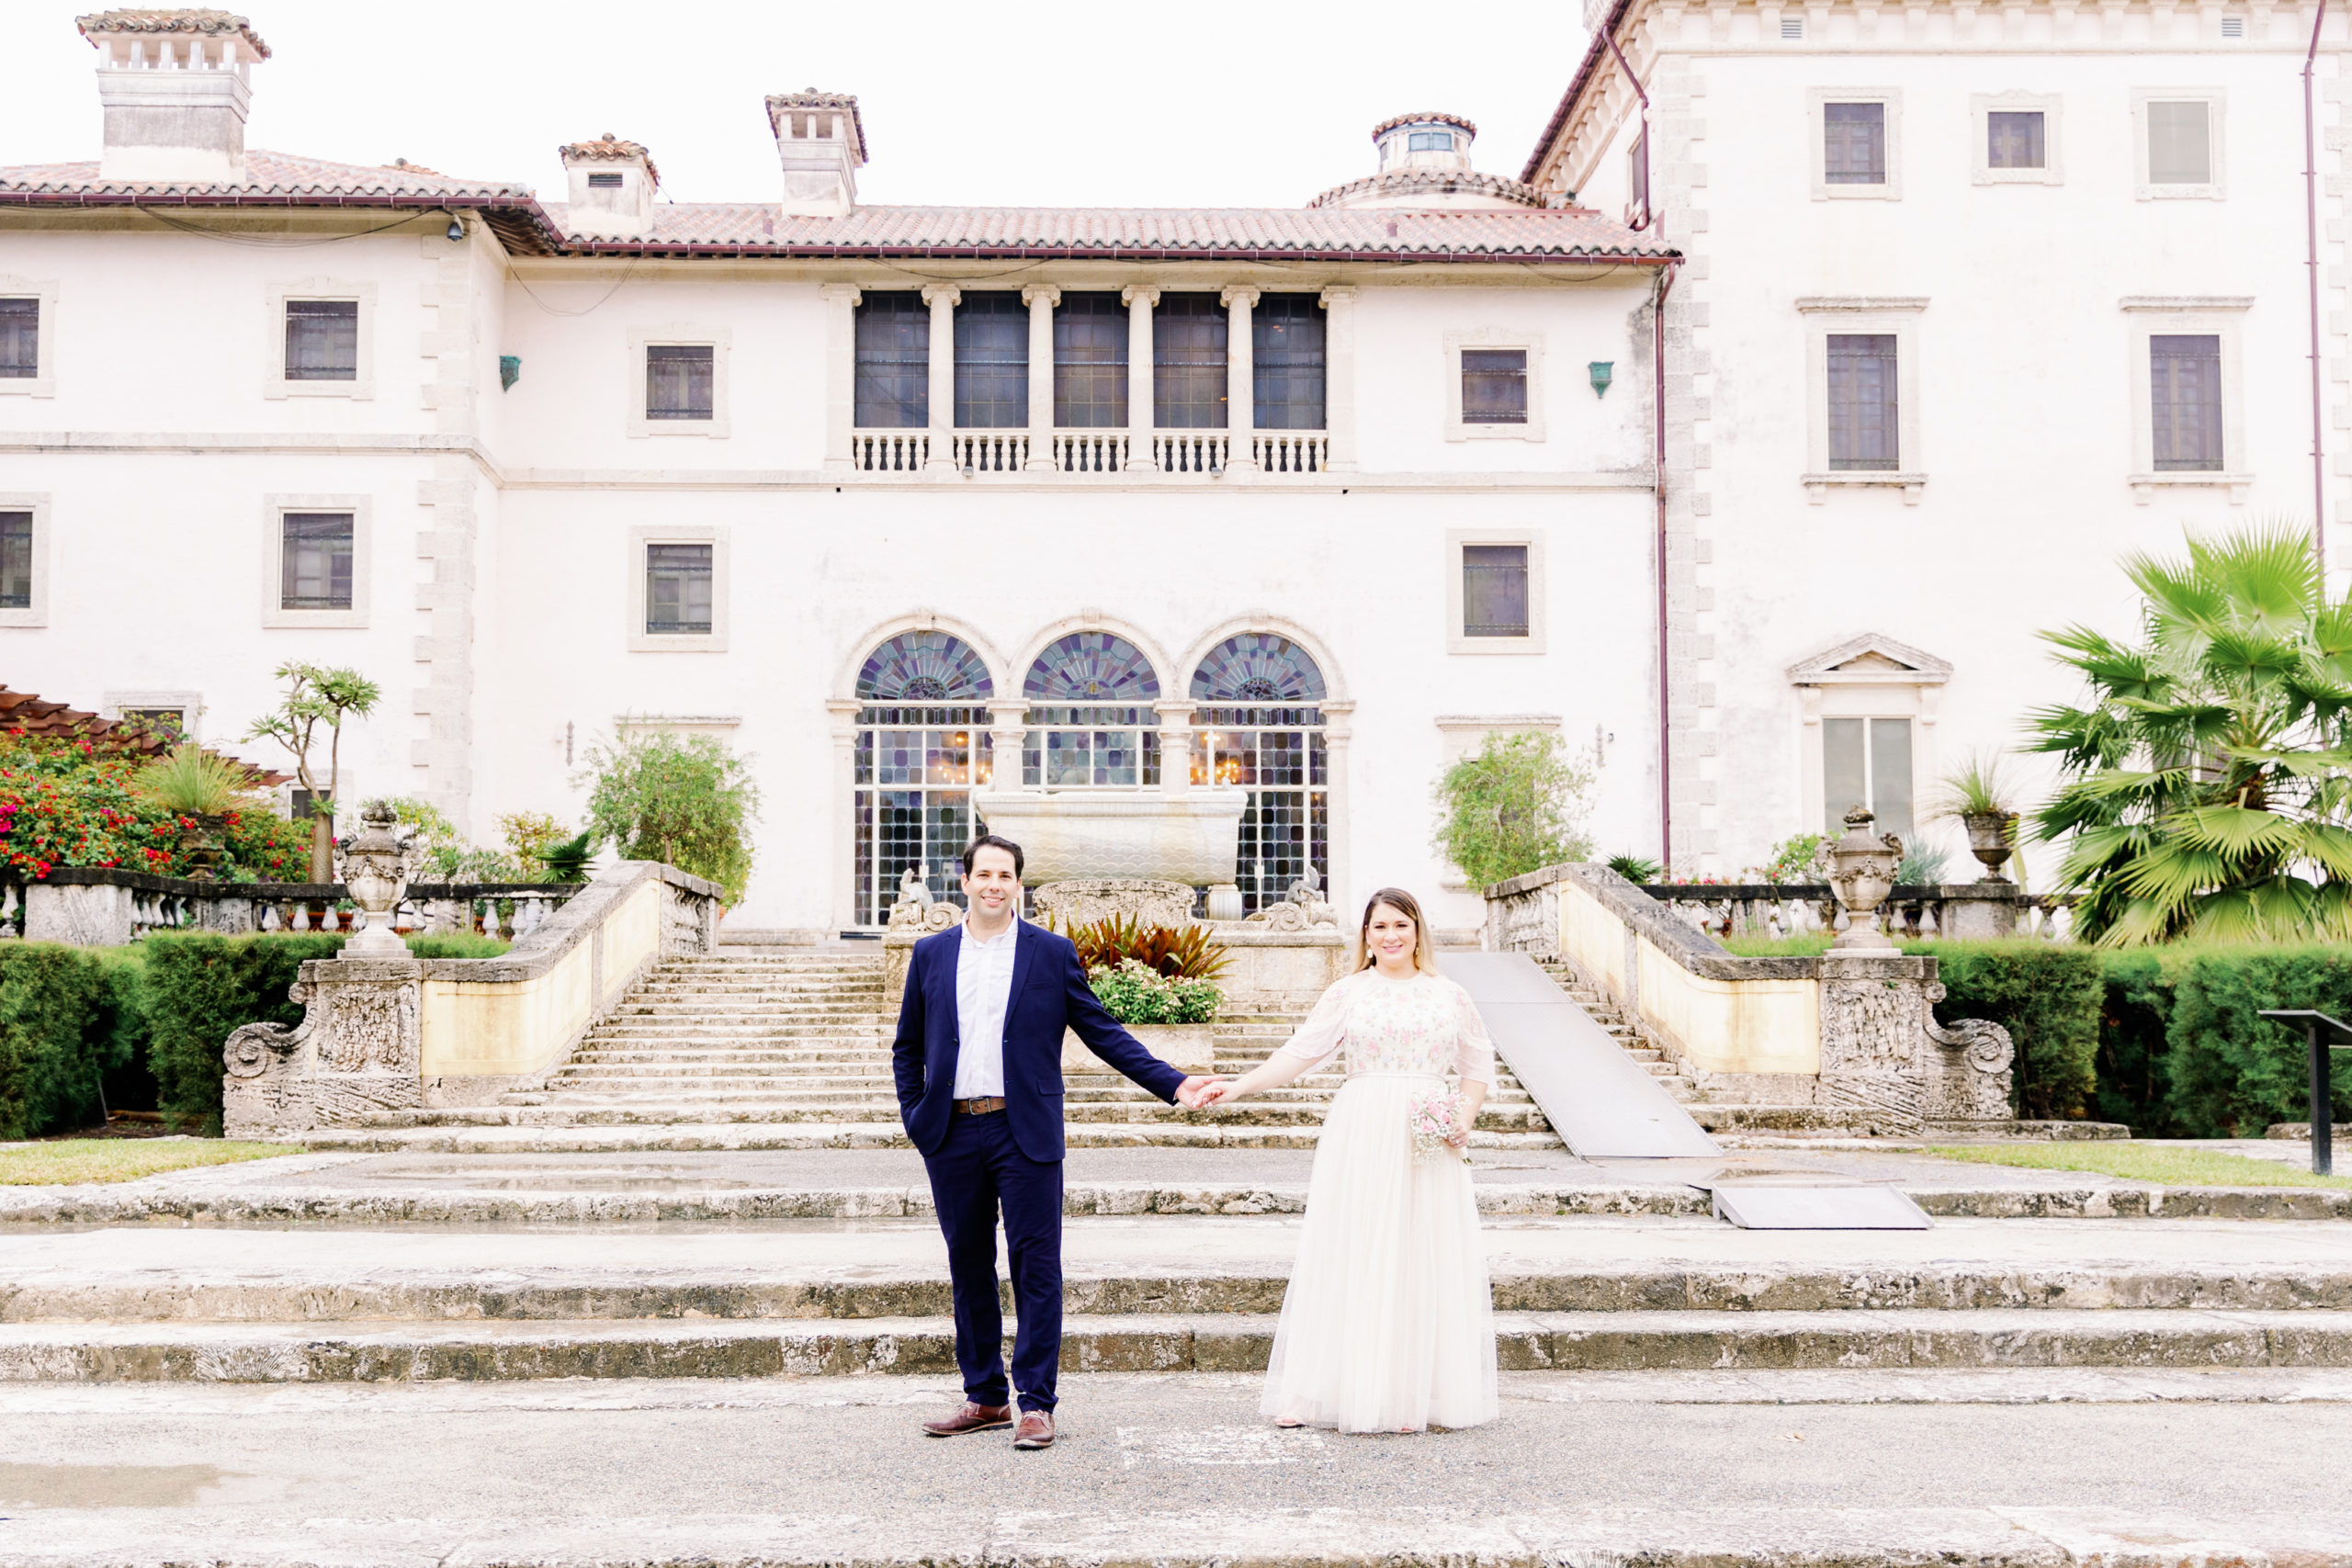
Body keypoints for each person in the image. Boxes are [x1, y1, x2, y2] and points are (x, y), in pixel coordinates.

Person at [894, 833, 1218, 1450]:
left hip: (1026, 1132)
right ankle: (985, 1395)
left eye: (1005, 875)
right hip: (953, 1131)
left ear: (1019, 885)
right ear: (964, 882)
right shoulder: (931, 953)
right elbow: (907, 1046)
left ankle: (1036, 1402)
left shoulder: (1049, 953)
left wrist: (1174, 1083)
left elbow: (1103, 1033)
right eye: (983, 873)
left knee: (1036, 1267)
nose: (994, 884)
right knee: (968, 1265)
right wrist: (917, 1115)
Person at [1194, 886, 1499, 1434]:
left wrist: (1464, 1117)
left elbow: (1477, 1065)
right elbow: (1300, 1054)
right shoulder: (1348, 992)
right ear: (1366, 935)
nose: (1391, 936)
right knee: (1351, 1248)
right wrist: (1238, 1087)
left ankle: (1410, 1395)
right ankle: (1316, 1392)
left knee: (1418, 1252)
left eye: (1401, 926)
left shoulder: (1449, 995)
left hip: (1427, 1131)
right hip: (1362, 1126)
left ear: (1417, 931)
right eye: (1380, 926)